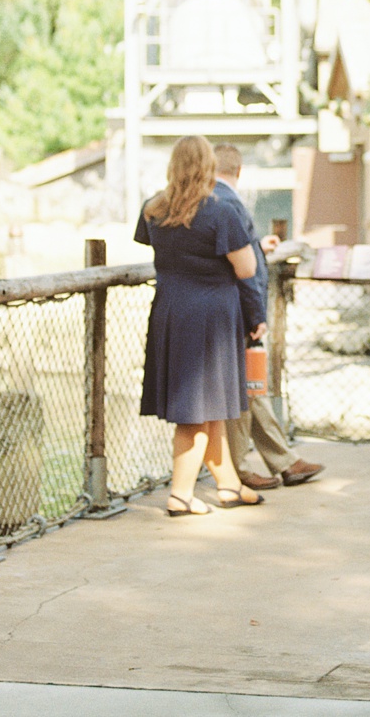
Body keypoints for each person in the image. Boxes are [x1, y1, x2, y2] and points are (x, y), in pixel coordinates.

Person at [136, 135, 265, 516]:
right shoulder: (220, 211)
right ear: (208, 165)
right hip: (212, 317)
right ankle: (180, 495)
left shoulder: (153, 209)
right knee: (195, 411)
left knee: (211, 407)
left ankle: (228, 486)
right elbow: (246, 268)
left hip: (171, 311)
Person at [210, 146, 324, 491]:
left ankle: (283, 462)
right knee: (246, 390)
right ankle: (243, 467)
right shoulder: (227, 202)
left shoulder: (213, 200)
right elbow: (241, 269)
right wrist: (255, 313)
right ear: (239, 169)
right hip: (236, 309)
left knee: (251, 389)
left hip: (227, 309)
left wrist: (259, 247)